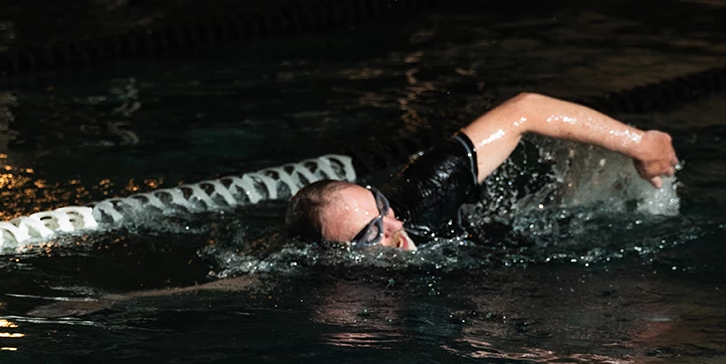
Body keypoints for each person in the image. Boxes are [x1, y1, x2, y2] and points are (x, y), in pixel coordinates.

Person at [285, 92, 678, 251]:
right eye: (372, 232)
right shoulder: (332, 290)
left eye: (382, 206)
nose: (394, 223)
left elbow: (526, 110)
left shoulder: (425, 191)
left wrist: (638, 143)